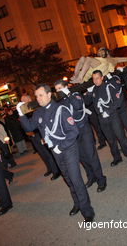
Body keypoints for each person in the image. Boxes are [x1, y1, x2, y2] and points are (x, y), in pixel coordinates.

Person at [17, 84, 95, 222]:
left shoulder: (60, 109)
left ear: (49, 95)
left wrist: (61, 146)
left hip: (68, 148)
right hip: (56, 151)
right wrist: (21, 114)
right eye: (36, 96)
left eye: (41, 95)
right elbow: (29, 127)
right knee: (68, 178)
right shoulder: (38, 113)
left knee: (76, 180)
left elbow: (73, 131)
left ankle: (87, 211)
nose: (38, 99)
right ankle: (77, 203)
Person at [54, 80, 107, 192]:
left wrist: (68, 93)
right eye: (56, 89)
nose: (58, 91)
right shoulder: (59, 102)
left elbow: (78, 106)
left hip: (83, 129)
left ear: (65, 87)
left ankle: (101, 179)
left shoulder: (75, 94)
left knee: (91, 155)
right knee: (82, 157)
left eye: (60, 88)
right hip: (72, 134)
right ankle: (91, 177)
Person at [85, 70, 127, 167]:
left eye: (97, 78)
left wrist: (108, 111)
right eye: (93, 79)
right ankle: (117, 158)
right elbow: (87, 102)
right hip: (102, 119)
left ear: (102, 77)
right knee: (111, 140)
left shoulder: (109, 86)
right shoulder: (94, 90)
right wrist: (88, 92)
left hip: (113, 116)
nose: (95, 81)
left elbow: (119, 100)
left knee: (121, 137)